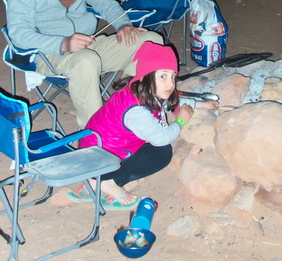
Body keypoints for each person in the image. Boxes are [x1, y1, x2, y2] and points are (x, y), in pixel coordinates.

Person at [6, 0, 162, 129]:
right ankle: (95, 135)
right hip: (51, 54)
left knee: (151, 42)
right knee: (86, 61)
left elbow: (103, 0)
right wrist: (63, 43)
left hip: (89, 43)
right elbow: (18, 34)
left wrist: (123, 24)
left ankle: (130, 107)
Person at [67, 41, 219, 209]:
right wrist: (181, 121)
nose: (170, 83)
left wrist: (201, 104)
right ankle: (106, 182)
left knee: (157, 149)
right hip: (98, 159)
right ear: (146, 76)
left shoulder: (141, 89)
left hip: (99, 151)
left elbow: (171, 101)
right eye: (163, 76)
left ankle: (94, 181)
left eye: (172, 77)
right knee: (162, 153)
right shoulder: (136, 110)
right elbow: (162, 138)